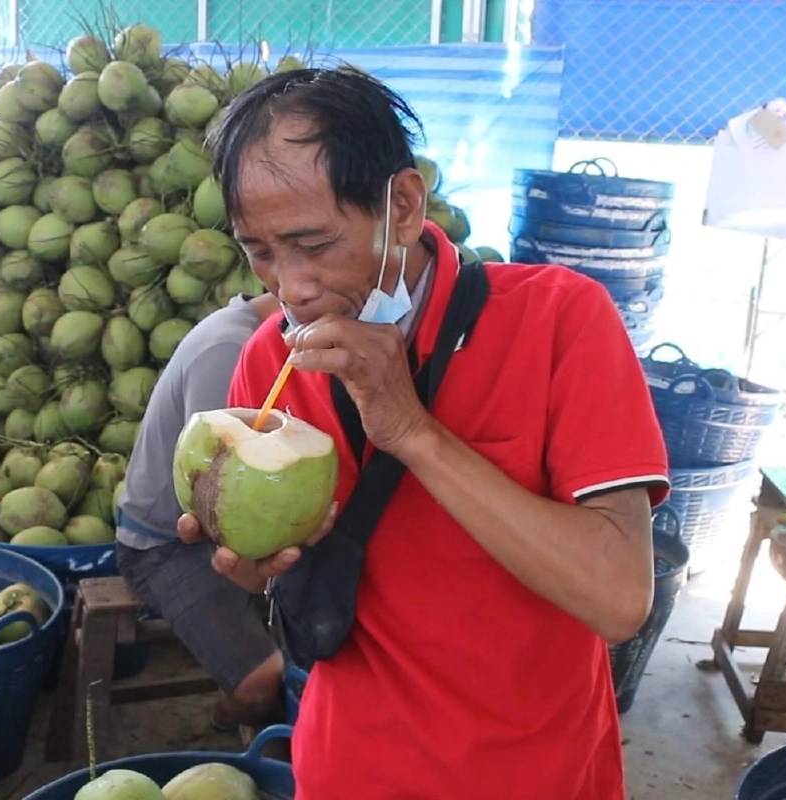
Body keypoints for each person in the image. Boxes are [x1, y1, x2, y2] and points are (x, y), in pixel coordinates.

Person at [177, 67, 671, 799]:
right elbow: (274, 576)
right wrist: (254, 563)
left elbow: (619, 599)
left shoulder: (561, 320)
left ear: (402, 206)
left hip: (538, 776)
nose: (291, 287)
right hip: (350, 771)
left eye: (314, 243)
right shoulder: (268, 364)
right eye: (261, 251)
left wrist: (412, 430)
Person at [114, 292, 285, 733]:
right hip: (163, 545)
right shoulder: (230, 348)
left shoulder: (261, 338)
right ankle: (223, 718)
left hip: (226, 532)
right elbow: (216, 491)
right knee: (261, 685)